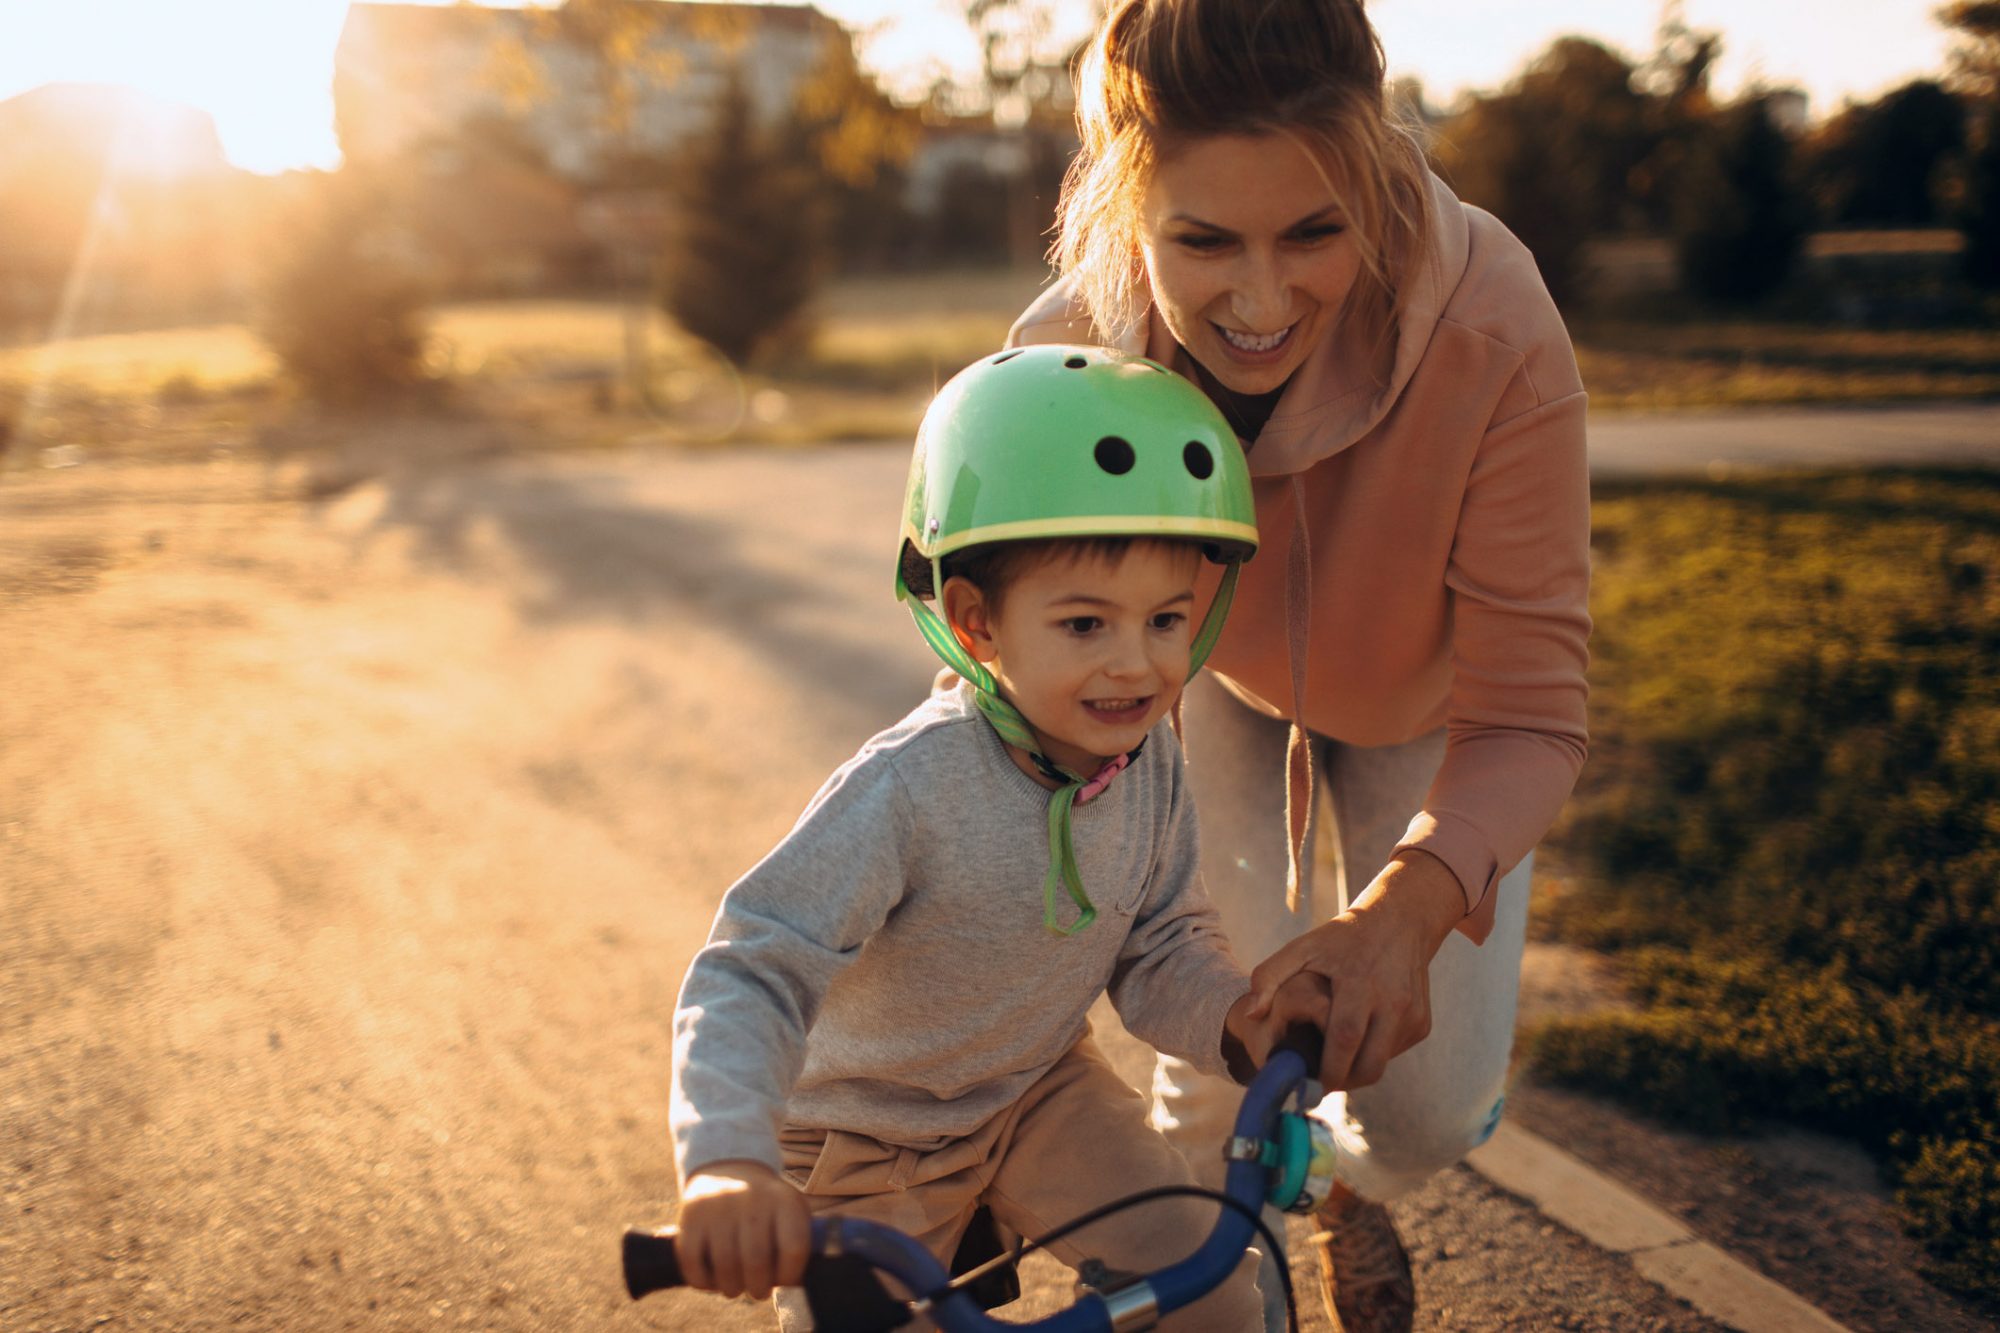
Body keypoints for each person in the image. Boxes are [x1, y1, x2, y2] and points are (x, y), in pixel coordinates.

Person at [1007, 3, 1593, 1330]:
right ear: (1125, 207)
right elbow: (1003, 680)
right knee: (1212, 1070)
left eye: (1314, 234)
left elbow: (1535, 709)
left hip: (1429, 706)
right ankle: (1229, 1271)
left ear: (1377, 181)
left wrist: (1400, 916)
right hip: (1199, 683)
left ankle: (1341, 1177)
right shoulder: (1064, 362)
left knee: (1429, 1111)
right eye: (1203, 242)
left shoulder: (1492, 319)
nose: (1261, 302)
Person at [668, 344, 1328, 1330]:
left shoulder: (1146, 762)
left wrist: (1236, 1020)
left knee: (1209, 1292)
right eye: (1081, 625)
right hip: (862, 1141)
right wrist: (724, 1159)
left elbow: (1160, 946)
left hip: (1034, 1095)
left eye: (1165, 619)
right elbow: (749, 968)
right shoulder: (908, 788)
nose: (1135, 664)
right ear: (975, 623)